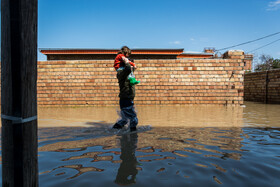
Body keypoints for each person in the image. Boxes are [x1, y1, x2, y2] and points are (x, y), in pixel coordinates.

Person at [113, 46, 139, 131]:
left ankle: (113, 130)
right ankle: (133, 135)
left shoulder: (128, 74)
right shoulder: (121, 72)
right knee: (133, 118)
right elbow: (127, 69)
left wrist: (133, 65)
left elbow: (129, 70)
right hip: (126, 99)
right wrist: (126, 61)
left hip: (126, 98)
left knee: (124, 119)